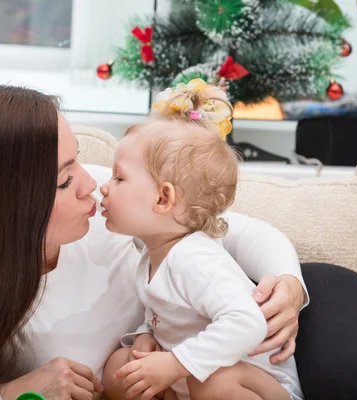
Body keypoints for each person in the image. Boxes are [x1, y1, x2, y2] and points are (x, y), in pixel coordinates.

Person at [0, 85, 357, 400]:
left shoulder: (111, 209)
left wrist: (289, 287)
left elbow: (241, 231)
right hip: (210, 354)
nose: (93, 186)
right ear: (8, 207)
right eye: (68, 177)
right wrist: (10, 394)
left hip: (288, 311)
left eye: (84, 165)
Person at [99, 79, 302, 400]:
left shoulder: (194, 258)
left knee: (214, 383)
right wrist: (145, 334)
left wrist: (176, 363)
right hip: (196, 370)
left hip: (258, 382)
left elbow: (247, 324)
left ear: (164, 199)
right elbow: (168, 313)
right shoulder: (152, 251)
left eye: (119, 177)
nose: (104, 187)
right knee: (119, 368)